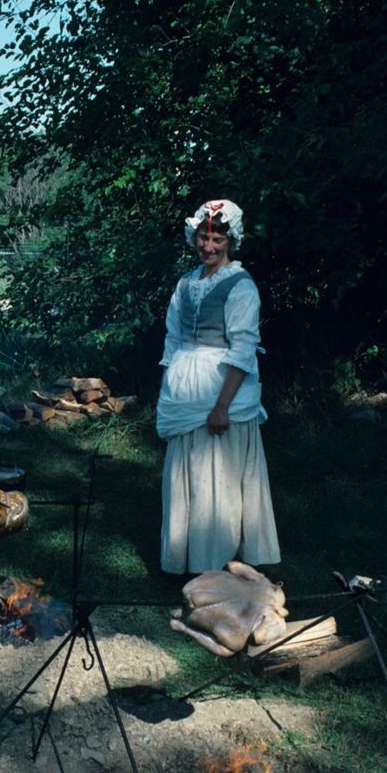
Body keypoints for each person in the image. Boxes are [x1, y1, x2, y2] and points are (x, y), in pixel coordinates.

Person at [156, 199, 280, 575]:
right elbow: (172, 339)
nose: (208, 246)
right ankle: (188, 558)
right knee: (187, 477)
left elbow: (242, 349)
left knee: (218, 479)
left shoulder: (241, 286)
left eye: (217, 240)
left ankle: (220, 563)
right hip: (184, 388)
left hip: (220, 388)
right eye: (203, 237)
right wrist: (167, 391)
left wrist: (222, 406)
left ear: (231, 242)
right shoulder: (186, 282)